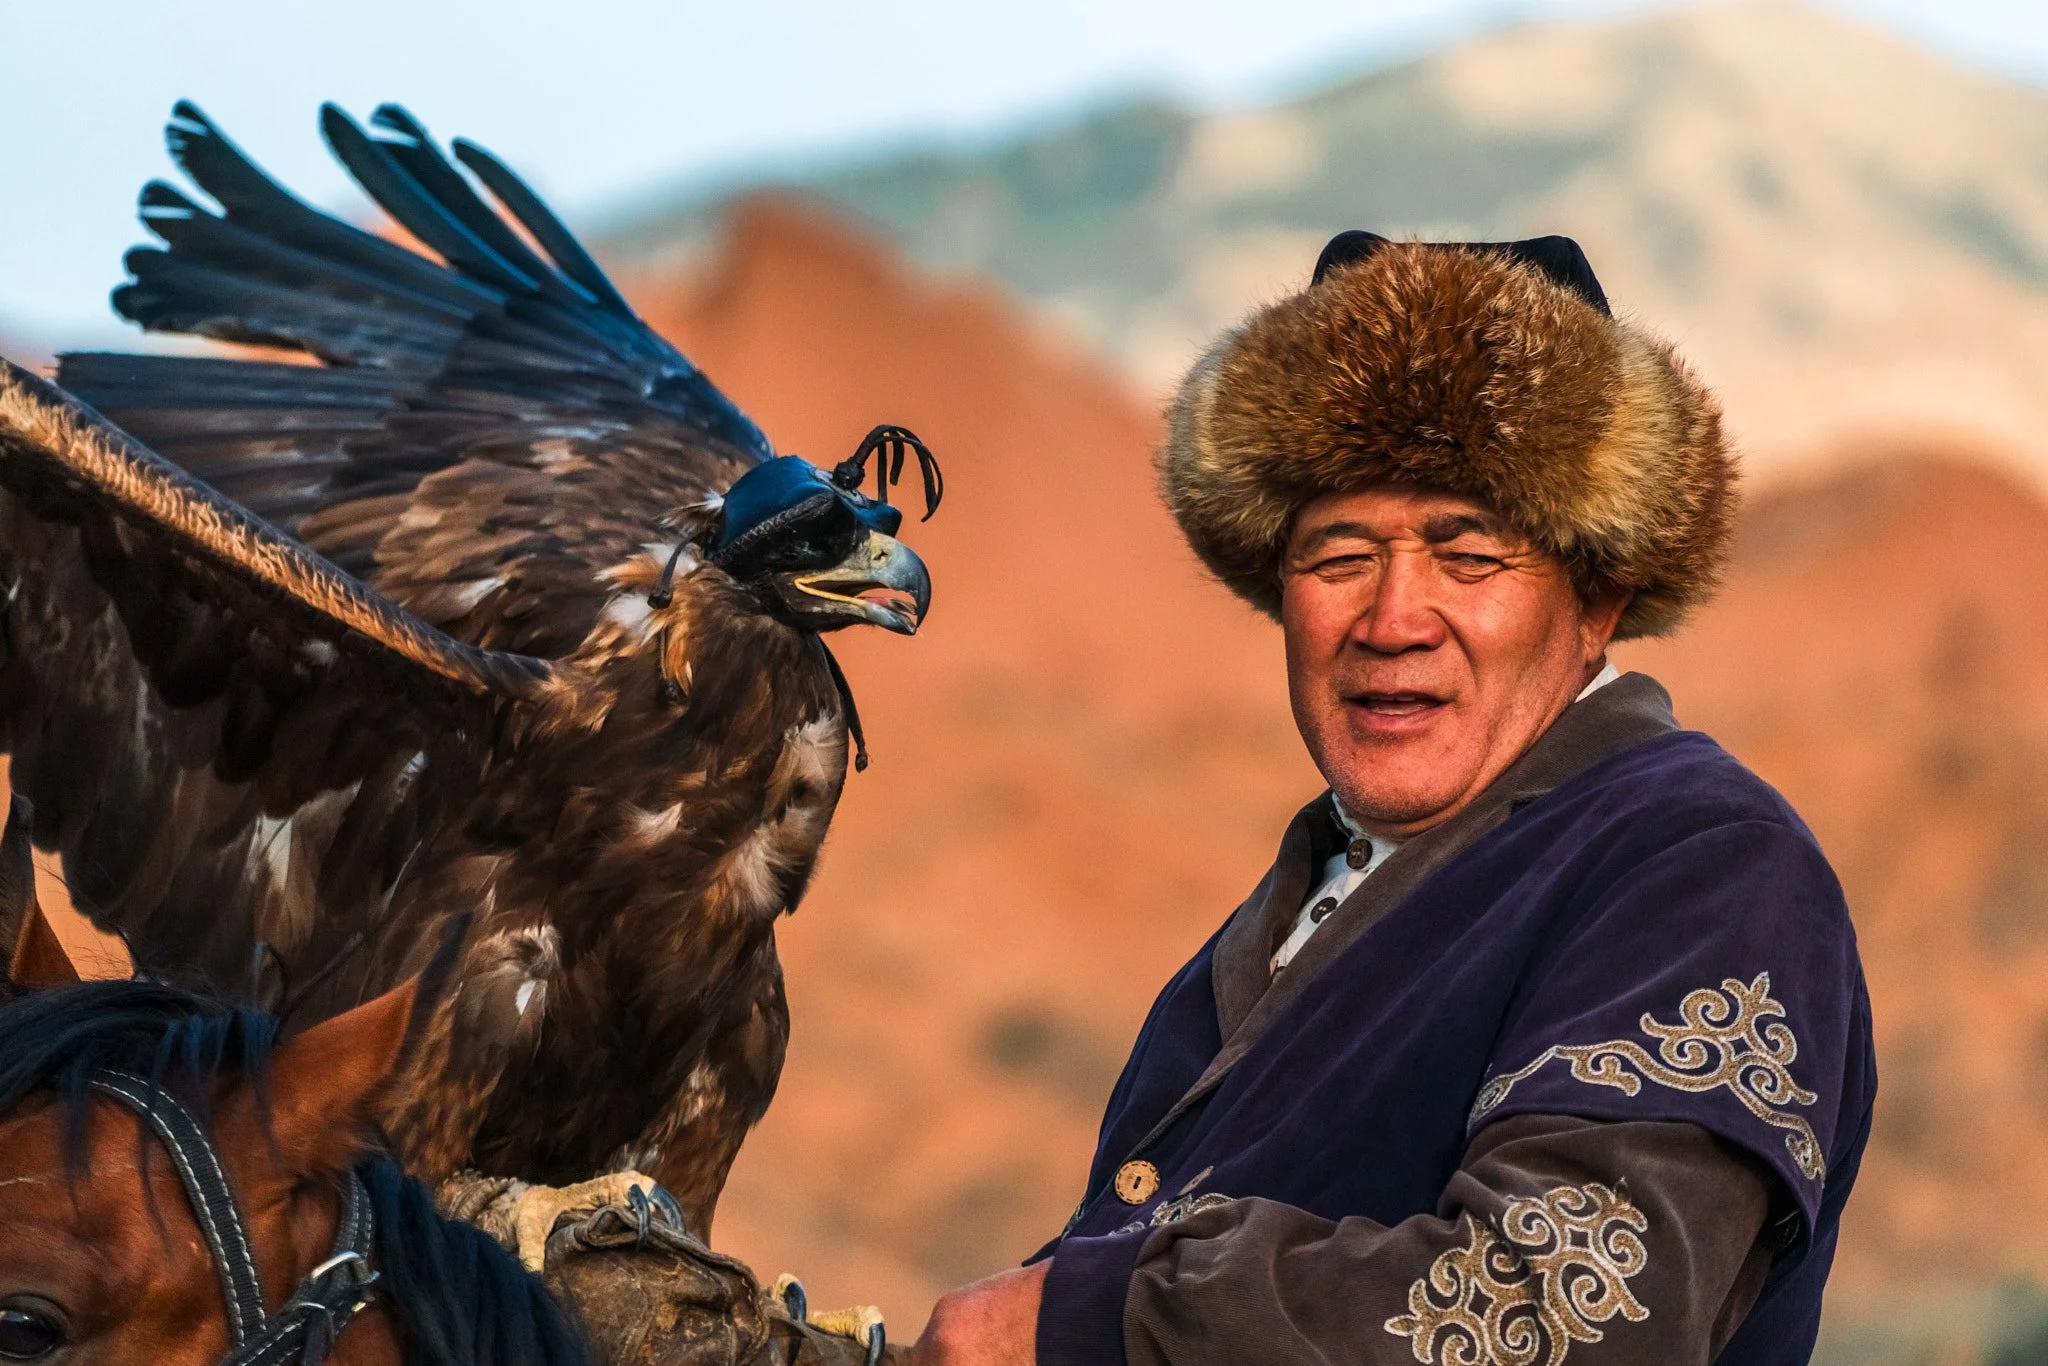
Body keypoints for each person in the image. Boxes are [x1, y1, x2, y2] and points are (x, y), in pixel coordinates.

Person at [909, 231, 1874, 1365]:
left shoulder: (1699, 863)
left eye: (1468, 556)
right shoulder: (1290, 914)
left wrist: (1090, 1318)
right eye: (1338, 557)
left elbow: (1568, 1314)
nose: (1390, 619)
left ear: (1597, 595)